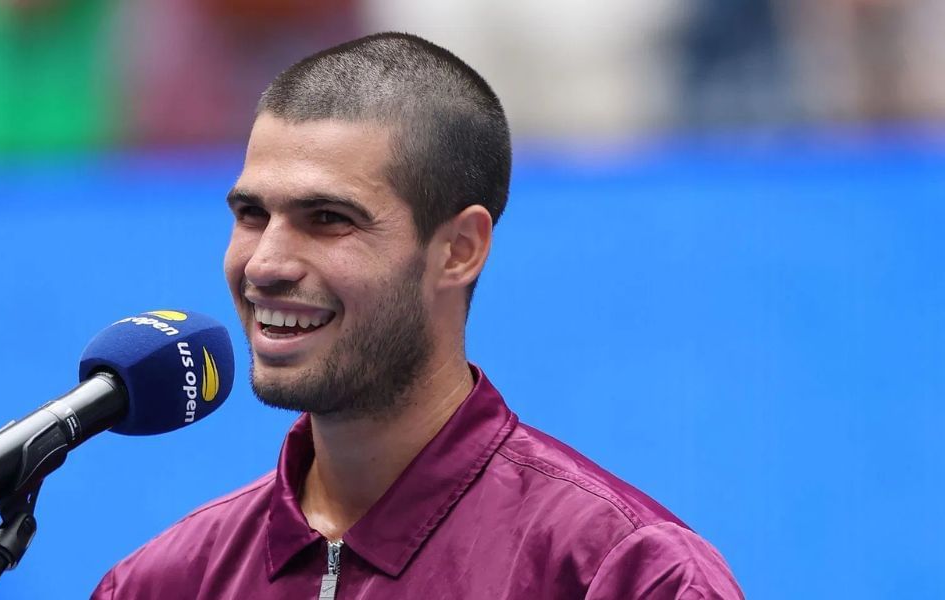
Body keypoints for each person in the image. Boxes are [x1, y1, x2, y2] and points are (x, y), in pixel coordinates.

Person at [92, 32, 743, 599]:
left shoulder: (623, 575)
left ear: (459, 250)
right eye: (252, 214)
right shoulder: (161, 583)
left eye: (328, 219)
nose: (264, 264)